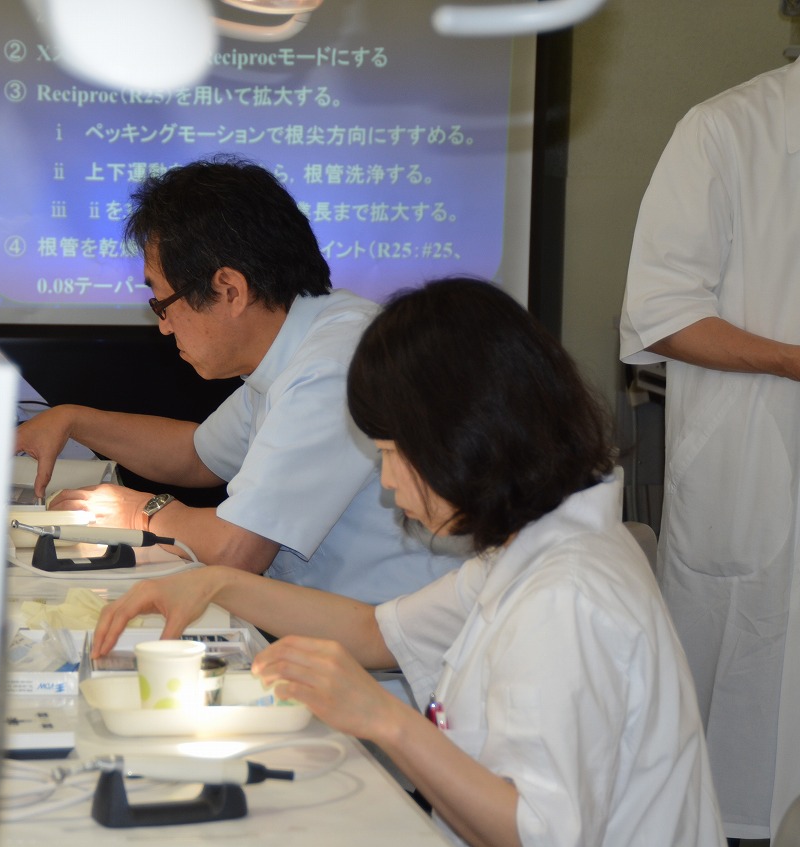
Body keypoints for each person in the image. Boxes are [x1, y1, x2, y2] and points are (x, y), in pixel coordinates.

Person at [94, 278, 724, 847]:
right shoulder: (534, 546)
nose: (389, 482)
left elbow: (537, 833)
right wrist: (213, 585)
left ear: (467, 438)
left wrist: (383, 719)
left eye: (393, 453)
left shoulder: (568, 595)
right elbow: (376, 632)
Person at [15, 154, 459, 606]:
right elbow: (197, 456)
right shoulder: (300, 337)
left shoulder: (333, 365)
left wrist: (140, 512)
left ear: (230, 290)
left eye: (162, 304)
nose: (164, 327)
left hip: (387, 640)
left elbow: (237, 548)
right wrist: (72, 420)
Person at [618, 57, 800, 841]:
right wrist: (792, 359)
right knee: (741, 753)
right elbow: (659, 313)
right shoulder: (726, 129)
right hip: (754, 466)